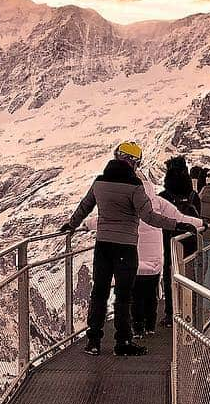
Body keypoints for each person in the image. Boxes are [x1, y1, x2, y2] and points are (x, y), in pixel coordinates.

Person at [62, 141, 202, 356]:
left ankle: (93, 341)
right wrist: (177, 225)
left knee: (99, 292)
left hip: (103, 246)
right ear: (134, 162)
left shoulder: (99, 182)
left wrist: (71, 226)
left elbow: (85, 206)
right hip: (126, 248)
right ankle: (122, 342)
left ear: (116, 156)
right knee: (124, 295)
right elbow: (149, 217)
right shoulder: (135, 186)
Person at [133, 166, 181, 337]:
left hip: (137, 259)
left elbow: (106, 220)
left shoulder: (129, 204)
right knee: (151, 294)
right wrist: (197, 224)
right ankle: (150, 326)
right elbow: (177, 217)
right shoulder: (158, 202)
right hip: (155, 260)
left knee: (136, 295)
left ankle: (137, 327)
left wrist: (86, 224)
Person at [159, 156, 199, 325]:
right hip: (190, 241)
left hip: (169, 240)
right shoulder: (193, 195)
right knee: (190, 274)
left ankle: (171, 313)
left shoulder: (163, 196)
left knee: (170, 275)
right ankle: (190, 311)